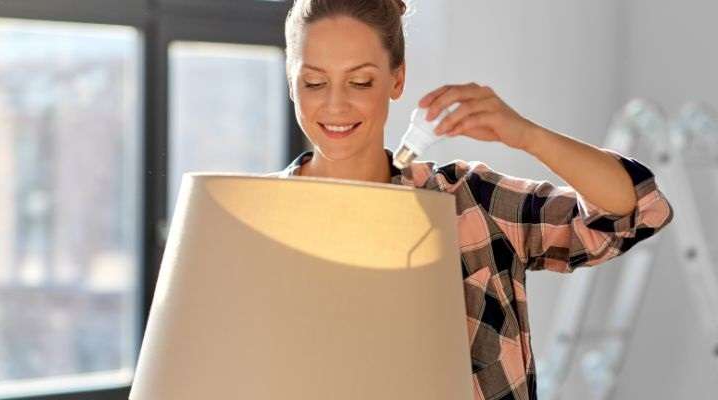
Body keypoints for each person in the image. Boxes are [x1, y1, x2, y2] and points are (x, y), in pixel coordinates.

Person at [270, 1, 674, 399]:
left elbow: (633, 212)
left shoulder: (468, 202)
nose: (336, 105)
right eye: (314, 82)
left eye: (360, 82)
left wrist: (527, 136)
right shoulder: (256, 220)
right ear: (291, 82)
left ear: (397, 79)